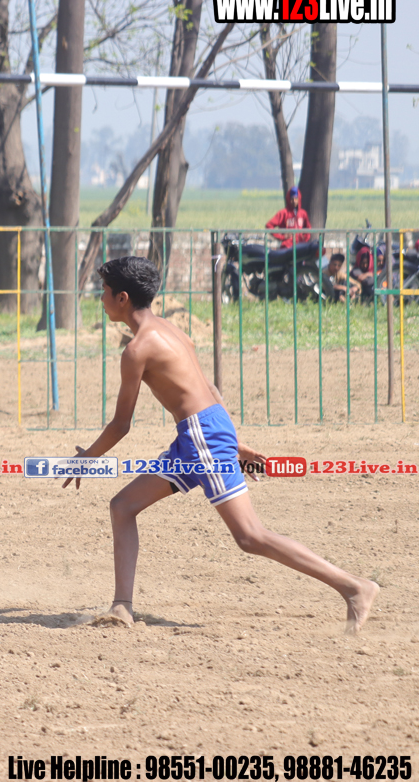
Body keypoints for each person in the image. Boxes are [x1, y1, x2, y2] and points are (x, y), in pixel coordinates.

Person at [65, 256, 378, 634]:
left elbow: (121, 425)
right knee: (123, 506)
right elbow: (208, 388)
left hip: (201, 438)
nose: (100, 298)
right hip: (203, 433)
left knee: (250, 536)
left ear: (122, 298)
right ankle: (122, 607)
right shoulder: (172, 330)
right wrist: (234, 441)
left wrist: (86, 459)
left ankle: (354, 587)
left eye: (104, 291)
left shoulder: (136, 350)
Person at [266, 186, 315, 250]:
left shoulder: (303, 213)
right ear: (288, 199)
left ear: (299, 199)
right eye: (292, 199)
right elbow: (269, 225)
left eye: (296, 198)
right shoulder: (283, 213)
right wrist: (281, 237)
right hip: (287, 246)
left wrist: (305, 238)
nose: (294, 201)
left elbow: (308, 228)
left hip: (300, 246)